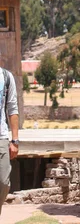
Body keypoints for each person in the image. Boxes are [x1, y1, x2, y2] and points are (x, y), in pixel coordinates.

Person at [0, 66, 19, 214]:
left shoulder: (6, 77)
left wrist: (15, 140)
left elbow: (12, 108)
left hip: (1, 137)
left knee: (3, 183)